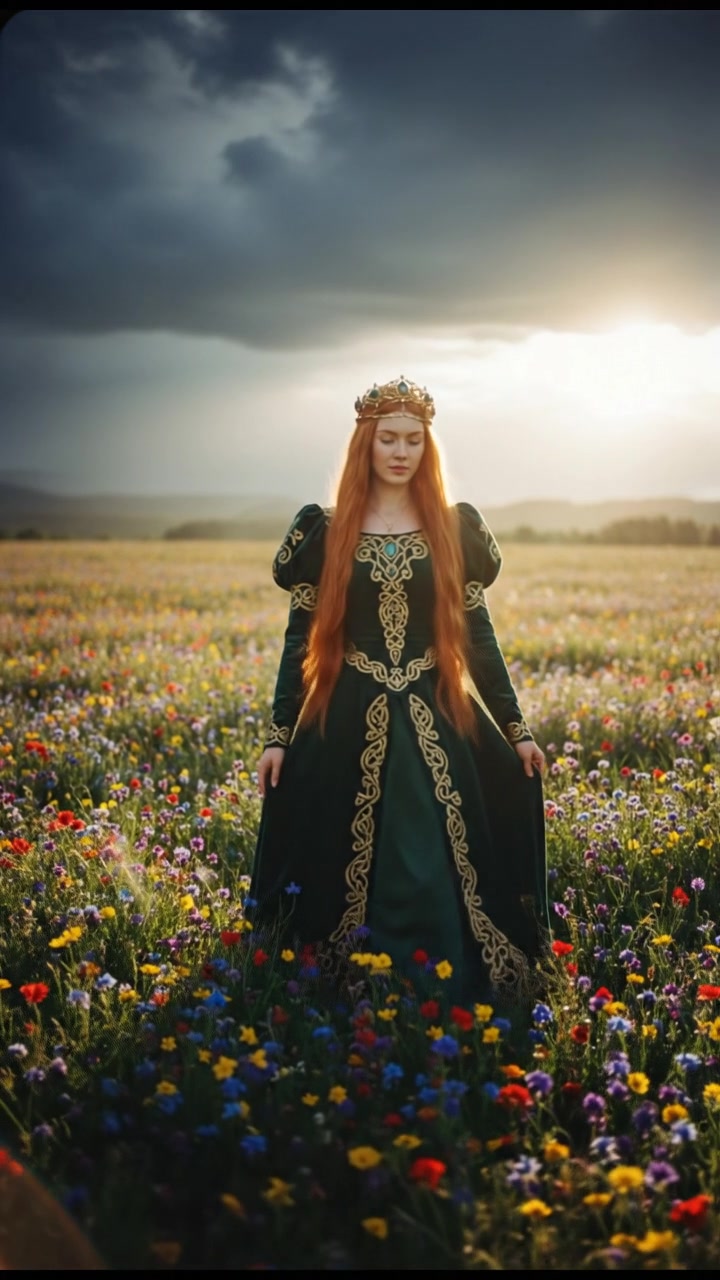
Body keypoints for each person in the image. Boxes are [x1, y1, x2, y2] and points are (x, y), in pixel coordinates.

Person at [249, 375, 549, 1006]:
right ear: (366, 442)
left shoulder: (452, 528)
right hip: (347, 715)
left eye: (414, 439)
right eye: (388, 438)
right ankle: (353, 984)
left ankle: (444, 982)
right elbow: (299, 642)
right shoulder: (324, 532)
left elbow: (480, 639)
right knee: (339, 853)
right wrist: (279, 737)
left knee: (430, 854)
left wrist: (516, 731)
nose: (401, 451)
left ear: (427, 447)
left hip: (437, 712)